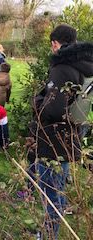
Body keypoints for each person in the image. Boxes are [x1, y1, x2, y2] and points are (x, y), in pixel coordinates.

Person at [33, 24, 93, 239]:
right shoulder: (84, 65)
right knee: (59, 185)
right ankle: (55, 220)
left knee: (49, 191)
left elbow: (54, 110)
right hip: (72, 134)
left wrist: (38, 100)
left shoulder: (61, 68)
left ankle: (49, 233)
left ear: (55, 44)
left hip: (53, 140)